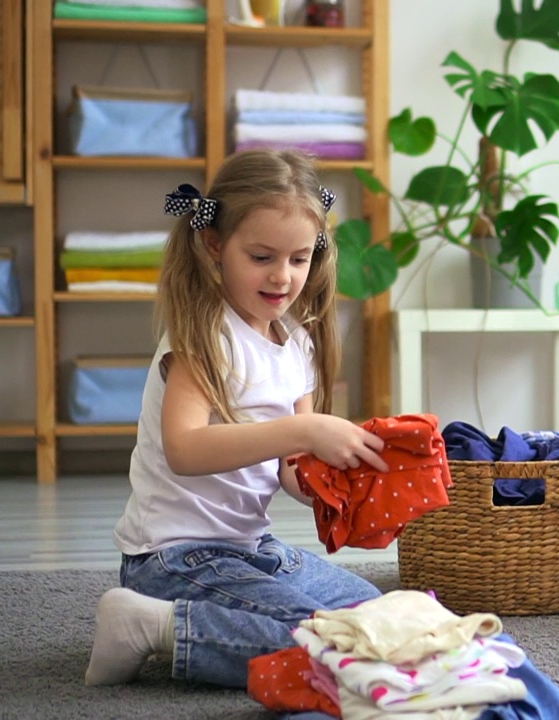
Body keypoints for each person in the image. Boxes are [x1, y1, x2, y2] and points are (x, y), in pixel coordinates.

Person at [84, 149, 390, 687]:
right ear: (214, 244)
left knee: (372, 617)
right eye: (262, 257)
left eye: (299, 259)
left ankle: (188, 626)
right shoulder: (204, 334)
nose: (283, 277)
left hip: (250, 548)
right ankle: (151, 627)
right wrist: (305, 429)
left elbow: (292, 472)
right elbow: (185, 448)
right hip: (172, 558)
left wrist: (346, 485)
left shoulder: (296, 345)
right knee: (322, 638)